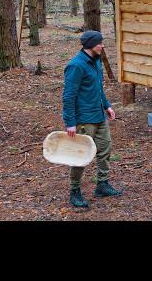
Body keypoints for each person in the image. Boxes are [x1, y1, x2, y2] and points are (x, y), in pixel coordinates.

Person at [62, 30, 121, 208]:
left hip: (99, 115)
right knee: (81, 156)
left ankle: (102, 185)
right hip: (83, 119)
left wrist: (107, 105)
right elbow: (68, 96)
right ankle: (75, 192)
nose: (102, 46)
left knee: (104, 149)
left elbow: (98, 89)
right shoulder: (76, 66)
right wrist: (70, 123)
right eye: (99, 43)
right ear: (90, 45)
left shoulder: (96, 62)